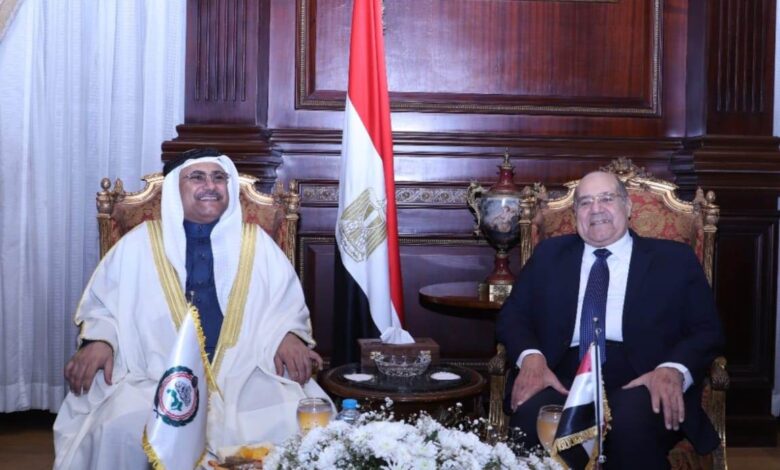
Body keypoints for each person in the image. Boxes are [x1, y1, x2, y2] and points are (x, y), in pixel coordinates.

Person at [53, 149, 329, 469]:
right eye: (197, 177)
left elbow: (286, 304)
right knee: (118, 426)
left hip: (245, 371)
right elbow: (103, 307)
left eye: (218, 177)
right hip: (154, 375)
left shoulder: (256, 243)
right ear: (175, 189)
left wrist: (289, 335)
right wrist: (100, 340)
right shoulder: (139, 243)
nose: (210, 185)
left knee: (293, 417)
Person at [496, 171, 723, 469]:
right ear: (575, 213)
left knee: (631, 423)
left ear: (628, 207)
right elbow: (513, 314)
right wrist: (531, 358)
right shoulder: (549, 255)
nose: (596, 209)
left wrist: (673, 369)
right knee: (532, 419)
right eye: (585, 202)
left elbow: (707, 330)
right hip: (562, 374)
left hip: (644, 376)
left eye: (606, 198)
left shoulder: (674, 259)